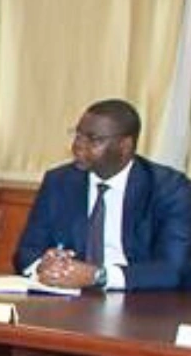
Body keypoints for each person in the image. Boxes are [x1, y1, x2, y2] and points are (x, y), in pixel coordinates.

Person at [14, 98, 191, 291]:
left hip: (141, 303)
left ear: (125, 146)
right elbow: (26, 251)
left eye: (93, 139)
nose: (78, 146)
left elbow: (172, 269)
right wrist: (44, 266)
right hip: (70, 298)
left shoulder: (168, 188)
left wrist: (99, 276)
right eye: (78, 135)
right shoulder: (59, 181)